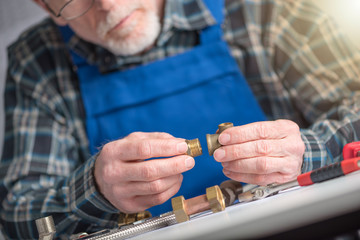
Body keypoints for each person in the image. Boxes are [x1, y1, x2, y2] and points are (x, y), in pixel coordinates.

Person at [0, 0, 359, 238]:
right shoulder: (38, 62)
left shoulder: (261, 7)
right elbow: (18, 215)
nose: (108, 5)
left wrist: (307, 151)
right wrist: (94, 189)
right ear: (44, 6)